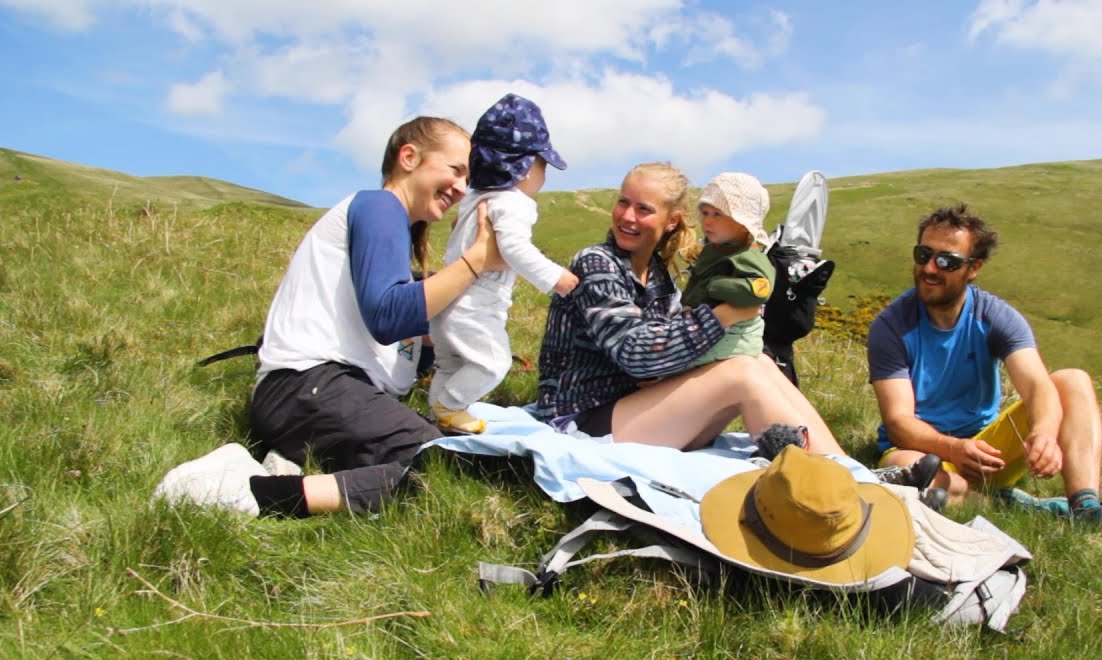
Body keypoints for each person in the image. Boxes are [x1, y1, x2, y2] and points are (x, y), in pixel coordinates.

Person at [155, 116, 506, 518]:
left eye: (468, 179)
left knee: (452, 459)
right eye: (455, 170)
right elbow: (388, 316)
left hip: (308, 396)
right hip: (310, 385)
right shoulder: (380, 207)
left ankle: (287, 466)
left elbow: (396, 334)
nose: (462, 187)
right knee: (442, 462)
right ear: (409, 157)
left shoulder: (391, 234)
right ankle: (249, 493)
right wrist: (477, 259)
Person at [866, 203, 1102, 535]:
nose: (930, 268)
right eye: (923, 255)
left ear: (973, 268)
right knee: (902, 467)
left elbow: (1036, 386)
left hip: (988, 451)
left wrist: (1044, 434)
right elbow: (899, 424)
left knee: (1072, 380)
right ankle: (1009, 505)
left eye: (946, 261)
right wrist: (954, 449)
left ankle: (1084, 506)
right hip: (926, 452)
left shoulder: (995, 316)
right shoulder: (890, 326)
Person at [533, 161, 847, 454]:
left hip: (634, 408)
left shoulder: (659, 277)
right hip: (579, 417)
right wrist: (725, 315)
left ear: (672, 221)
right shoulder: (596, 263)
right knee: (741, 374)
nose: (627, 216)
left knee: (760, 362)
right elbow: (634, 354)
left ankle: (846, 468)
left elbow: (665, 349)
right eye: (623, 202)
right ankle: (821, 484)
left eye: (643, 209)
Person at [428, 94, 577, 435]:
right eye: (543, 166)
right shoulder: (514, 203)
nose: (544, 176)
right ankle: (448, 406)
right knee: (493, 364)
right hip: (475, 308)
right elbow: (513, 248)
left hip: (447, 302)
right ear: (524, 167)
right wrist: (556, 277)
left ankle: (441, 418)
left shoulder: (474, 200)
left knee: (450, 364)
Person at [682, 171, 776, 368]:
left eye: (718, 214)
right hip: (711, 328)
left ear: (743, 223)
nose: (708, 221)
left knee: (680, 365)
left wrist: (714, 286)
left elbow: (760, 289)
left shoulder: (747, 254)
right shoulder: (715, 248)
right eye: (705, 213)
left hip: (735, 335)